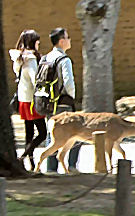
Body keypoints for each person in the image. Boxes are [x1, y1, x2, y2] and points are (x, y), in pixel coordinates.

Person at [44, 27, 81, 173]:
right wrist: (71, 97)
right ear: (61, 41)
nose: (70, 40)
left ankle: (51, 168)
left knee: (52, 134)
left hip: (48, 103)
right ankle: (71, 166)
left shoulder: (45, 58)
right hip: (63, 103)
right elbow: (69, 83)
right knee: (75, 133)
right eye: (68, 37)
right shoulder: (64, 60)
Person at [9, 30, 47, 171]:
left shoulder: (20, 58)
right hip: (32, 100)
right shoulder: (30, 60)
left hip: (23, 99)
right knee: (42, 133)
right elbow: (34, 79)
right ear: (33, 42)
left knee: (29, 133)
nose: (39, 43)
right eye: (37, 41)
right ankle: (23, 156)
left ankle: (30, 164)